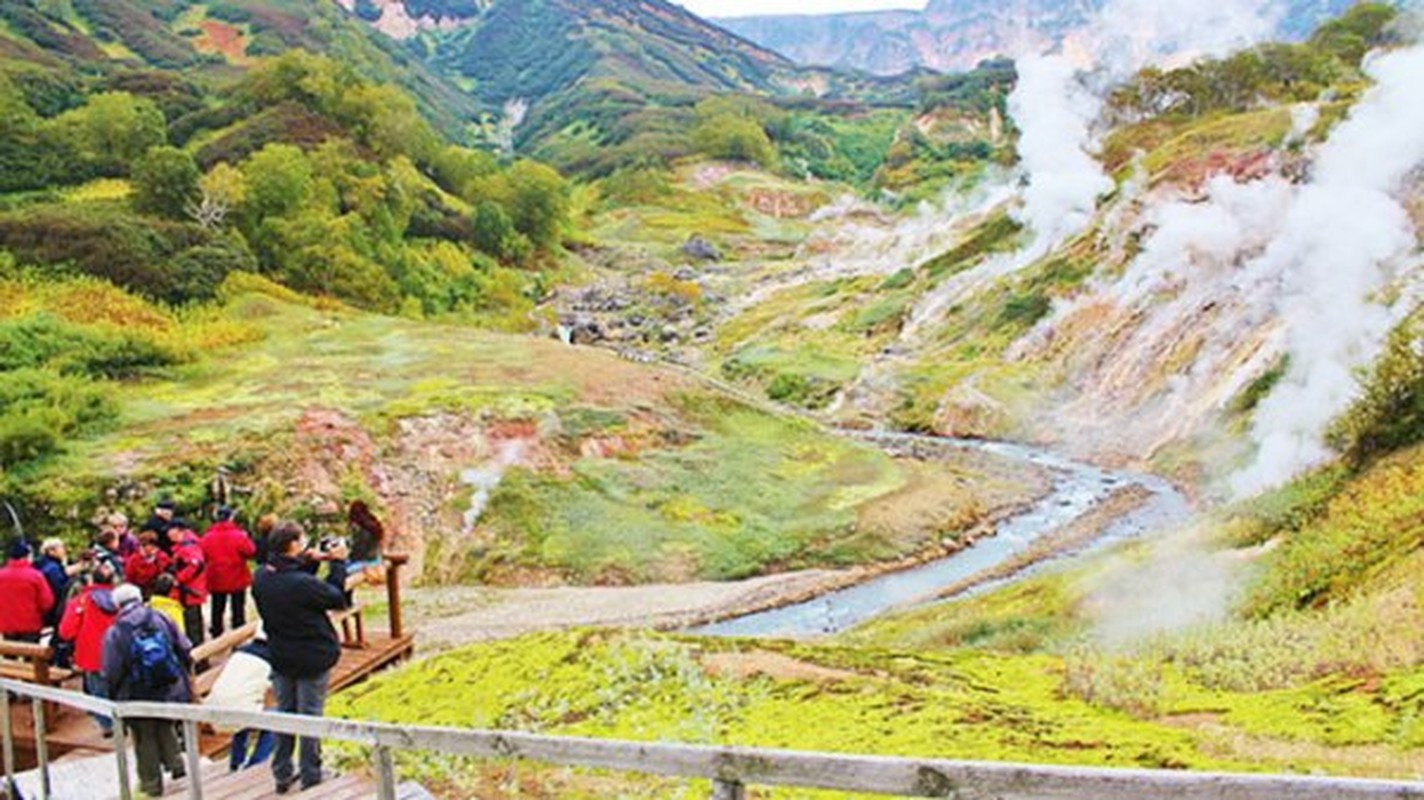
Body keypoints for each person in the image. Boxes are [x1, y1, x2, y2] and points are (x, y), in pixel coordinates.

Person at [252, 521, 350, 794]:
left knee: (286, 714)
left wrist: (309, 561)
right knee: (310, 716)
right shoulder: (301, 584)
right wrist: (338, 563)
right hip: (312, 657)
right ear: (293, 545)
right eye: (302, 541)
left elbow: (293, 583)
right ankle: (311, 776)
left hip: (281, 656)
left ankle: (282, 772)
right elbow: (336, 597)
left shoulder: (261, 576)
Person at [102, 583, 191, 798]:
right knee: (165, 725)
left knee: (144, 737)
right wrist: (183, 674)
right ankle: (178, 768)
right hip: (168, 684)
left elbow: (111, 668)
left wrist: (113, 694)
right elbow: (184, 646)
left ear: (117, 605)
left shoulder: (116, 631)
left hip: (136, 692)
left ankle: (152, 785)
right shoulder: (161, 617)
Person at [57, 563, 120, 736]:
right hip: (118, 652)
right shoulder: (121, 600)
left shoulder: (81, 601)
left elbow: (66, 631)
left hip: (91, 654)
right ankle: (124, 719)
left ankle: (107, 725)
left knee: (97, 690)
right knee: (120, 687)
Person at [205, 629, 275, 772]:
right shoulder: (273, 658)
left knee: (242, 709)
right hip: (239, 713)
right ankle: (257, 764)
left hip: (212, 712)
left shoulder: (240, 653)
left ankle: (236, 762)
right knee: (278, 720)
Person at [201, 506, 256, 639]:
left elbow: (203, 555)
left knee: (217, 608)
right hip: (237, 576)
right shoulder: (239, 535)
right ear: (231, 517)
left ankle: (216, 634)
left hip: (216, 577)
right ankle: (238, 636)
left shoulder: (207, 537)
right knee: (238, 609)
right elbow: (251, 551)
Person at [0, 541, 55, 643]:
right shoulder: (36, 576)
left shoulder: (1, 575)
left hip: (6, 625)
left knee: (9, 654)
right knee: (31, 655)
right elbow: (47, 602)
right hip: (31, 625)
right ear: (27, 556)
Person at [167, 526, 208, 646]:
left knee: (193, 625)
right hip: (189, 591)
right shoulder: (185, 545)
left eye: (170, 532)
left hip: (190, 592)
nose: (168, 535)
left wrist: (179, 579)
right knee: (193, 623)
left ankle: (198, 654)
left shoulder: (189, 547)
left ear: (179, 531)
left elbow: (196, 565)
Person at [36, 538, 83, 628]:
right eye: (61, 547)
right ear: (51, 551)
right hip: (53, 610)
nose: (64, 550)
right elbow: (60, 589)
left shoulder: (42, 564)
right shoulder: (53, 568)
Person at [124, 532, 172, 598]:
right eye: (150, 545)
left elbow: (163, 572)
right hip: (139, 589)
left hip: (156, 588)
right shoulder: (134, 559)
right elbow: (130, 578)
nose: (153, 547)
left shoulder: (161, 556)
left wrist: (155, 559)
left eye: (154, 545)